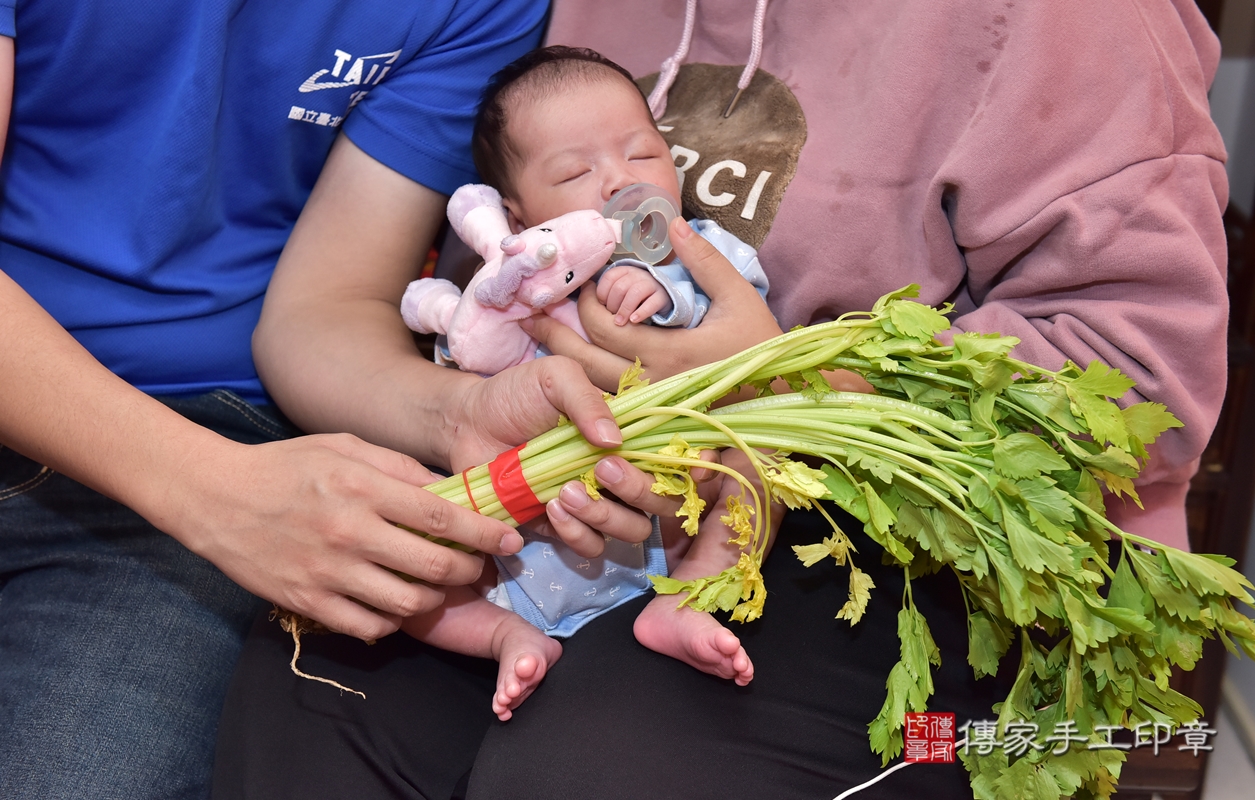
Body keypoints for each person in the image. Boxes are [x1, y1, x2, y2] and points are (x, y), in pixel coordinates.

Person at [215, 1, 1229, 798]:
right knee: (317, 687)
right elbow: (353, 294)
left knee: (594, 767)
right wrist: (473, 407)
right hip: (584, 507)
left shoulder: (1079, 24)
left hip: (893, 533)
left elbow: (1143, 383)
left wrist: (773, 378)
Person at [0, 2, 684, 799]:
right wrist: (211, 492)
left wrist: (459, 412)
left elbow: (327, 305)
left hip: (214, 436)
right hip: (186, 471)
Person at [396, 46, 776, 721]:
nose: (616, 182)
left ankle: (685, 601)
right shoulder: (519, 280)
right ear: (516, 217)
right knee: (409, 562)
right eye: (576, 170)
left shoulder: (700, 247)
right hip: (528, 540)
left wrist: (661, 285)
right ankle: (504, 637)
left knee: (765, 463)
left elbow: (736, 309)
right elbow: (474, 361)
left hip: (675, 511)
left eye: (643, 155)